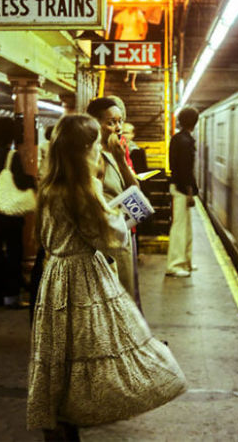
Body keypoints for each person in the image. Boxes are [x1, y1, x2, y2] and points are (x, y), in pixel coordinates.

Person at [27, 114, 186, 437]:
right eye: (97, 144)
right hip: (83, 275)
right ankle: (79, 408)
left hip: (55, 276)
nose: (100, 150)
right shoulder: (84, 189)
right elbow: (108, 239)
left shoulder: (49, 187)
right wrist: (122, 215)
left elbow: (45, 237)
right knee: (96, 347)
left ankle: (57, 416)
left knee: (59, 352)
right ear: (86, 148)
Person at [0, 117, 35, 308]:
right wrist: (33, 182)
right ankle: (11, 296)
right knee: (13, 254)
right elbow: (19, 182)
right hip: (9, 216)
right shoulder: (13, 156)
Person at [85, 97, 139, 300]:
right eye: (111, 122)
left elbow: (135, 190)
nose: (118, 128)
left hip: (120, 234)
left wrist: (121, 160)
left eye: (120, 121)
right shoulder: (93, 157)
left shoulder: (115, 152)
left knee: (126, 294)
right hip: (105, 242)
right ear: (94, 123)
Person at [166, 107, 199, 277]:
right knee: (179, 228)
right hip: (181, 189)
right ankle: (175, 265)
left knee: (186, 228)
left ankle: (186, 262)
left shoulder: (178, 138)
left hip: (178, 187)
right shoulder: (186, 141)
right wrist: (189, 193)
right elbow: (185, 170)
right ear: (194, 122)